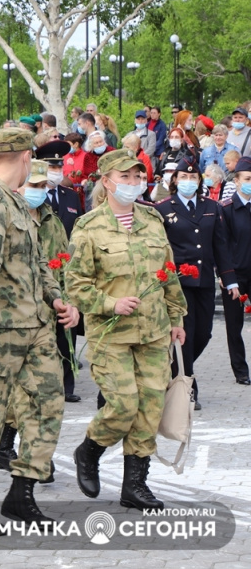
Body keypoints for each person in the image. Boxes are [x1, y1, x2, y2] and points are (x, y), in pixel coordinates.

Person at [0, 128, 78, 529]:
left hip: (36, 325)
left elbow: (37, 261)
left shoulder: (16, 201)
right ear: (26, 157)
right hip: (2, 329)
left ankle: (21, 492)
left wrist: (56, 297)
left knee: (49, 405)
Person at [66, 148, 187, 511]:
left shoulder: (152, 221)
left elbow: (168, 274)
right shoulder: (88, 228)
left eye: (137, 177)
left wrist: (177, 319)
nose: (134, 183)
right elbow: (75, 284)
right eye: (125, 177)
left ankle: (135, 486)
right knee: (122, 405)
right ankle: (89, 451)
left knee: (150, 407)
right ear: (106, 181)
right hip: (111, 334)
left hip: (153, 331)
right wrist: (110, 303)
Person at [155, 160, 238, 410]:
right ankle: (188, 386)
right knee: (186, 335)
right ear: (175, 180)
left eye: (192, 177)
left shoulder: (212, 207)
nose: (188, 181)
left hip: (203, 280)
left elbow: (219, 245)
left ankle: (175, 369)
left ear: (199, 180)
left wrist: (229, 278)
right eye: (182, 177)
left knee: (204, 332)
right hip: (178, 283)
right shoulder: (162, 208)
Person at [220, 157, 251, 385]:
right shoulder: (227, 209)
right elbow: (221, 246)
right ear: (237, 181)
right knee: (234, 325)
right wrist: (225, 276)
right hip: (236, 276)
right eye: (248, 179)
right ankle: (240, 371)